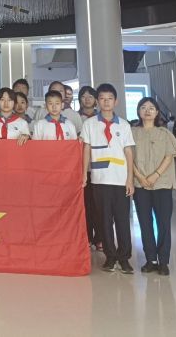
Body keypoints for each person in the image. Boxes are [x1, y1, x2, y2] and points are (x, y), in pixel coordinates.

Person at [81, 83, 136, 274]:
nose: (106, 102)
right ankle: (110, 257)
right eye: (102, 99)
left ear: (116, 101)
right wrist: (84, 174)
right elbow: (86, 149)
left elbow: (128, 152)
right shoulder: (89, 124)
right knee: (104, 221)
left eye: (109, 99)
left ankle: (124, 257)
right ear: (97, 101)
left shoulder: (124, 125)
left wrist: (130, 179)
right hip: (99, 179)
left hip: (120, 179)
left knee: (122, 220)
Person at [132, 97, 176, 276]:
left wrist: (155, 175)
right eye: (143, 107)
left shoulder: (164, 133)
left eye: (151, 108)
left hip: (162, 184)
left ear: (157, 112)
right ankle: (151, 260)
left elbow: (169, 156)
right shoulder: (132, 132)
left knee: (163, 223)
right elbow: (127, 156)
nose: (147, 111)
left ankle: (163, 261)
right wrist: (139, 176)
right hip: (140, 184)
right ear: (138, 111)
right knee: (145, 223)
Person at [76, 85, 101, 250]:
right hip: (81, 169)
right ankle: (86, 237)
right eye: (84, 96)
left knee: (99, 205)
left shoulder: (101, 118)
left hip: (99, 168)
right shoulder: (74, 118)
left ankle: (99, 238)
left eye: (90, 96)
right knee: (84, 205)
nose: (87, 99)